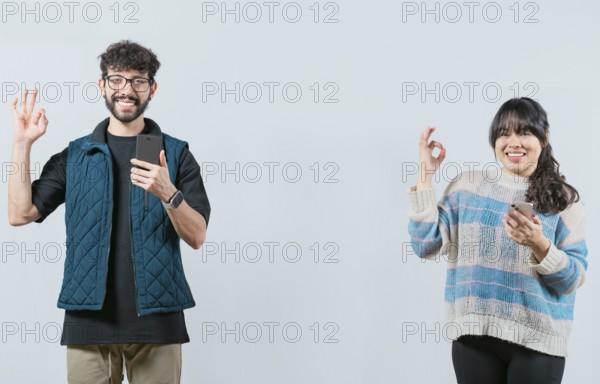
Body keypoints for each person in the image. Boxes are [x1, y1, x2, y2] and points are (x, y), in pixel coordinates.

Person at [8, 40, 211, 384]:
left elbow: (197, 236)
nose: (126, 90)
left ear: (152, 89)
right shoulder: (75, 156)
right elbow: (20, 213)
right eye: (116, 79)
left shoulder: (175, 155)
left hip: (158, 325)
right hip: (89, 325)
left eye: (138, 80)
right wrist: (21, 144)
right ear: (102, 85)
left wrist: (169, 194)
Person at [407, 98, 587, 384]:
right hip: (474, 339)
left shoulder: (563, 201)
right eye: (504, 134)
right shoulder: (466, 186)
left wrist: (540, 244)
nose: (513, 143)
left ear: (544, 137)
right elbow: (424, 245)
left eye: (524, 132)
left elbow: (572, 280)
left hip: (537, 343)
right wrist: (426, 176)